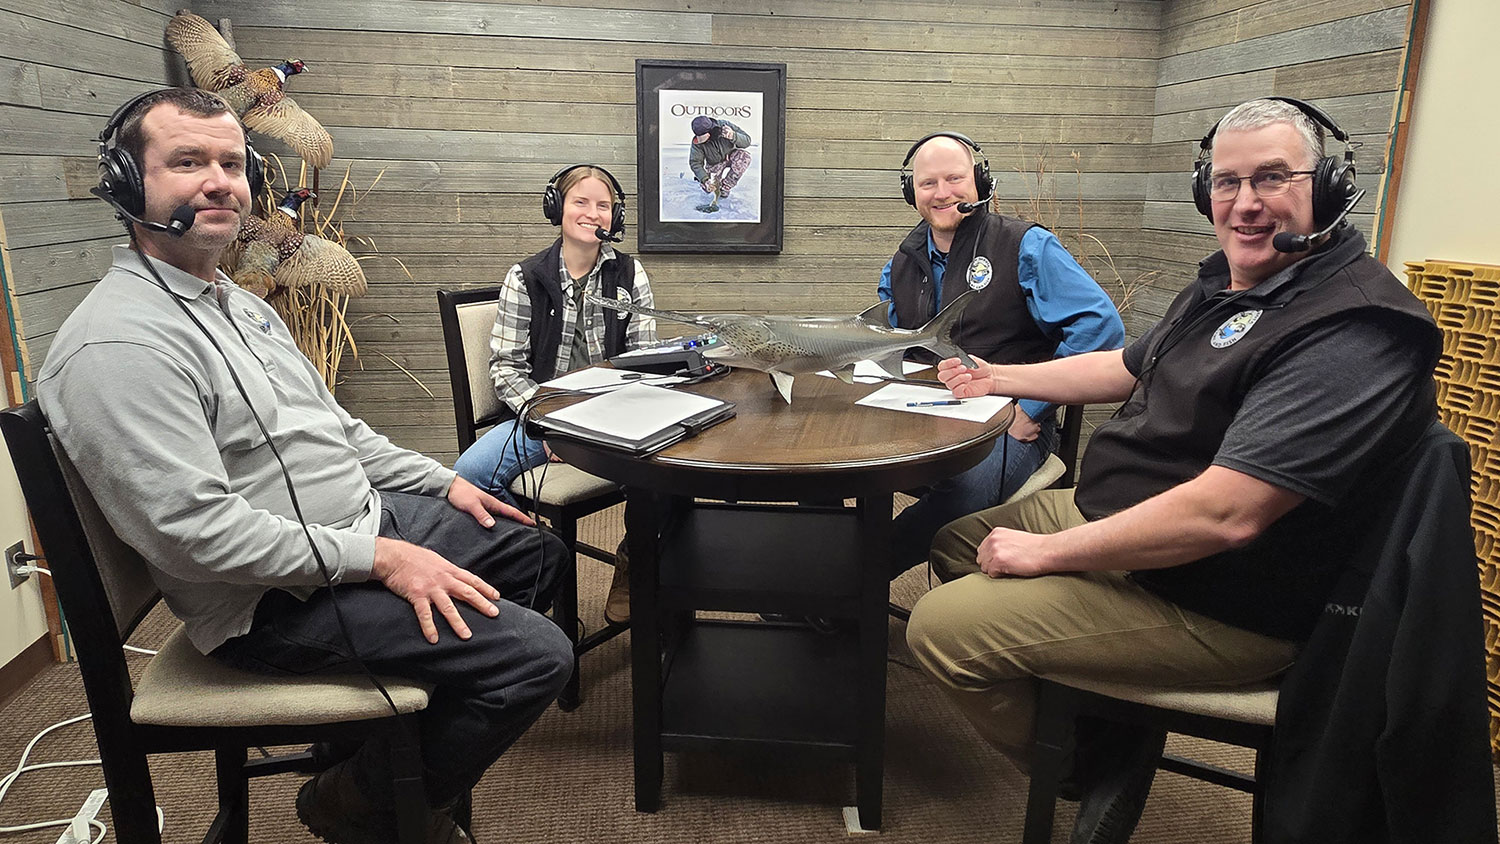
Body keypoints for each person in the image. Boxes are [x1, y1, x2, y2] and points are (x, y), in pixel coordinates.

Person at [37, 87, 575, 844]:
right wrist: (382, 560)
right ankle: (360, 806)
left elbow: (338, 431)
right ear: (126, 183)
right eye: (187, 162)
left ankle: (374, 752)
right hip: (270, 600)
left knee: (539, 556)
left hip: (359, 526)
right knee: (536, 658)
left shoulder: (239, 302)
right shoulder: (119, 346)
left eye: (232, 163)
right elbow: (195, 536)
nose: (219, 182)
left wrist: (444, 482)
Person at [906, 99, 1441, 844]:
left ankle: (1086, 765)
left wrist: (1049, 553)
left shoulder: (1351, 327)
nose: (1245, 203)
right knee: (955, 543)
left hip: (1220, 592)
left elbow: (1227, 515)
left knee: (939, 630)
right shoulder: (1232, 284)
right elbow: (1126, 365)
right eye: (1227, 182)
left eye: (1272, 178)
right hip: (1129, 518)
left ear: (1329, 186)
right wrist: (997, 378)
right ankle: (1104, 707)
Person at [879, 132, 1124, 578]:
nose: (942, 193)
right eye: (928, 183)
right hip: (925, 415)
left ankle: (854, 575)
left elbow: (1101, 329)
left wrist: (1030, 408)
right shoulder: (901, 262)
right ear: (911, 191)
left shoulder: (1027, 246)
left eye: (954, 178)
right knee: (834, 467)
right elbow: (892, 342)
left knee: (965, 489)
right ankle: (835, 579)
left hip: (1010, 422)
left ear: (980, 181)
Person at [453, 163, 656, 625]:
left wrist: (595, 429)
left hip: (615, 419)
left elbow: (643, 363)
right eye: (580, 202)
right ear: (556, 208)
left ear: (615, 216)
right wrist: (552, 425)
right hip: (542, 416)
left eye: (603, 205)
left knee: (666, 478)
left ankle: (633, 563)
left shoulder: (630, 274)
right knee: (468, 476)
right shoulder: (525, 277)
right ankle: (529, 564)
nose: (592, 213)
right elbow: (506, 368)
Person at [688, 115, 752, 201]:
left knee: (744, 157)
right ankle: (703, 179)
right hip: (714, 163)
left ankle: (726, 186)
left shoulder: (724, 125)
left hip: (731, 156)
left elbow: (747, 141)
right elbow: (695, 162)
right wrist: (704, 179)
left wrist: (733, 136)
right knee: (709, 188)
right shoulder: (697, 142)